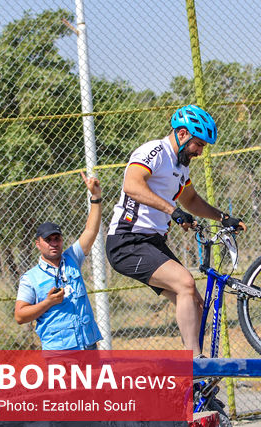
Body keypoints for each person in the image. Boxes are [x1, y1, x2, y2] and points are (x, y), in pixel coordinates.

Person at [105, 104, 246, 357]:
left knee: (196, 304)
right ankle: (194, 363)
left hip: (152, 242)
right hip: (126, 241)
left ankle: (194, 385)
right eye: (199, 144)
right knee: (185, 282)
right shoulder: (154, 151)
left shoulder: (181, 168)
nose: (200, 152)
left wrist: (223, 218)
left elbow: (191, 201)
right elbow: (131, 184)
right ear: (182, 134)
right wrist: (172, 211)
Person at [14, 171, 104, 350]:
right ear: (38, 244)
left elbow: (90, 231)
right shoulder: (31, 278)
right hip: (60, 353)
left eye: (57, 239)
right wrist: (48, 302)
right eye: (48, 240)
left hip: (87, 346)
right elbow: (20, 316)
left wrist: (95, 196)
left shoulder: (72, 259)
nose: (54, 243)